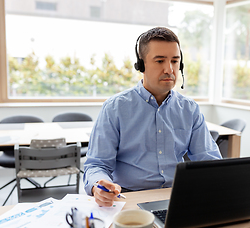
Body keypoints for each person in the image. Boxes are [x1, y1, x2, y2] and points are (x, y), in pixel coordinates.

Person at [83, 26, 221, 207]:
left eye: (174, 61)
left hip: (176, 197)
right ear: (141, 65)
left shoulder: (189, 109)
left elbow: (209, 162)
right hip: (128, 198)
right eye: (160, 61)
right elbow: (96, 165)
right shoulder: (115, 108)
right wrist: (98, 186)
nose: (169, 69)